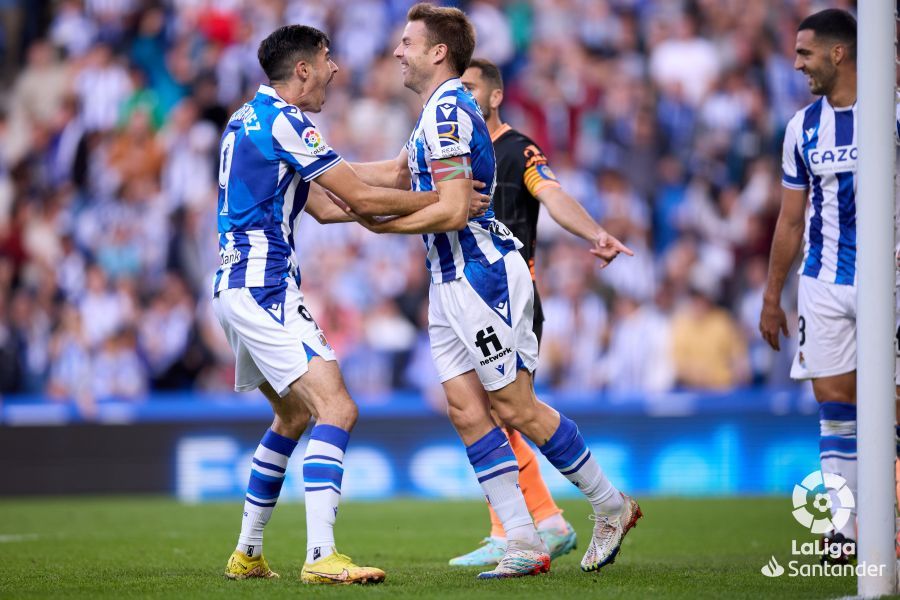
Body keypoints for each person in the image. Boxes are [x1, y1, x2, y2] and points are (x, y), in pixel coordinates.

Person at [345, 3, 641, 578]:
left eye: (408, 42)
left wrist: (376, 222)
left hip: (483, 275)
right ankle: (524, 541)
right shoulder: (432, 113)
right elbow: (398, 175)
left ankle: (610, 505)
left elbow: (454, 211)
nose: (397, 51)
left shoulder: (452, 110)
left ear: (438, 52)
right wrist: (318, 171)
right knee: (465, 410)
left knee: (513, 406)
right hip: (446, 281)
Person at [214, 24, 487, 584]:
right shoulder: (287, 122)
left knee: (292, 415)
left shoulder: (248, 119)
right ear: (304, 71)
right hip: (264, 289)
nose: (336, 69)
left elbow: (330, 207)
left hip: (234, 287)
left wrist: (400, 190)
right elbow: (357, 197)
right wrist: (447, 197)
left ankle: (247, 551)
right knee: (337, 408)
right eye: (327, 58)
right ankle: (320, 557)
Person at [444, 57, 634, 568]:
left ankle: (550, 521)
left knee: (509, 410)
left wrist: (594, 232)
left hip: (510, 295)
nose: (460, 95)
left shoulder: (517, 149)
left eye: (470, 87)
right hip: (464, 296)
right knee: (480, 412)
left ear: (496, 95)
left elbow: (550, 193)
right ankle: (531, 526)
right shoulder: (453, 149)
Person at [759, 8, 900, 563]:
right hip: (821, 280)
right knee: (835, 405)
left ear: (838, 53)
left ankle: (887, 522)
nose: (797, 65)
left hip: (886, 276)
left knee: (888, 405)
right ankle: (843, 533)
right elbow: (790, 220)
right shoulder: (803, 128)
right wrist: (773, 297)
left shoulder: (890, 114)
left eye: (805, 54)